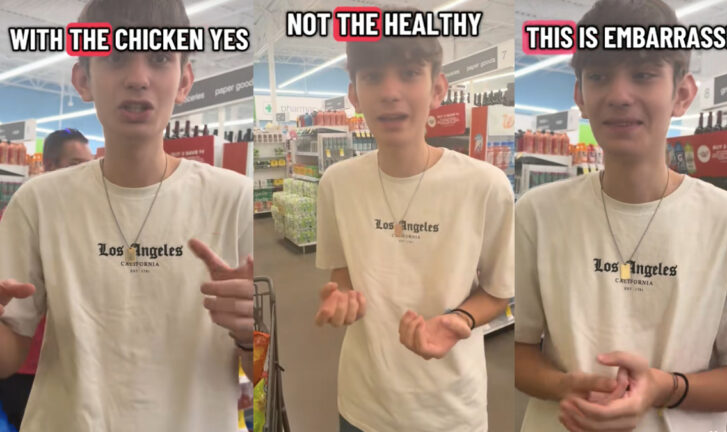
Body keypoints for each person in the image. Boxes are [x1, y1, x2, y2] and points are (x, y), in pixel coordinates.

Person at [514, 1, 727, 431]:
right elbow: (520, 356)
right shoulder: (537, 213)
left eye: (644, 74)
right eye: (598, 76)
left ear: (682, 94)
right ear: (581, 96)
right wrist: (566, 385)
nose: (618, 95)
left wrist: (662, 388)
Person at [0, 1, 254, 431]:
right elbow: (10, 354)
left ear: (184, 80)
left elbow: (266, 370)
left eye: (159, 59)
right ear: (83, 79)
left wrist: (252, 335)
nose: (138, 79)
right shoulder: (38, 202)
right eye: (116, 56)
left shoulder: (235, 201)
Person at [313, 32, 515, 432]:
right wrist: (343, 298)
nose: (390, 93)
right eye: (372, 77)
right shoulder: (337, 183)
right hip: (363, 405)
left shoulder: (485, 186)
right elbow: (343, 272)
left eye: (408, 73)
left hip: (450, 411)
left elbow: (498, 291)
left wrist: (459, 318)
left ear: (437, 88)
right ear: (353, 95)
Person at [0, 128, 93, 430]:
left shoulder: (89, 220)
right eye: (75, 164)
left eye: (89, 164)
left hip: (70, 363)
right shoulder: (21, 214)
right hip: (23, 361)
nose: (85, 173)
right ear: (48, 166)